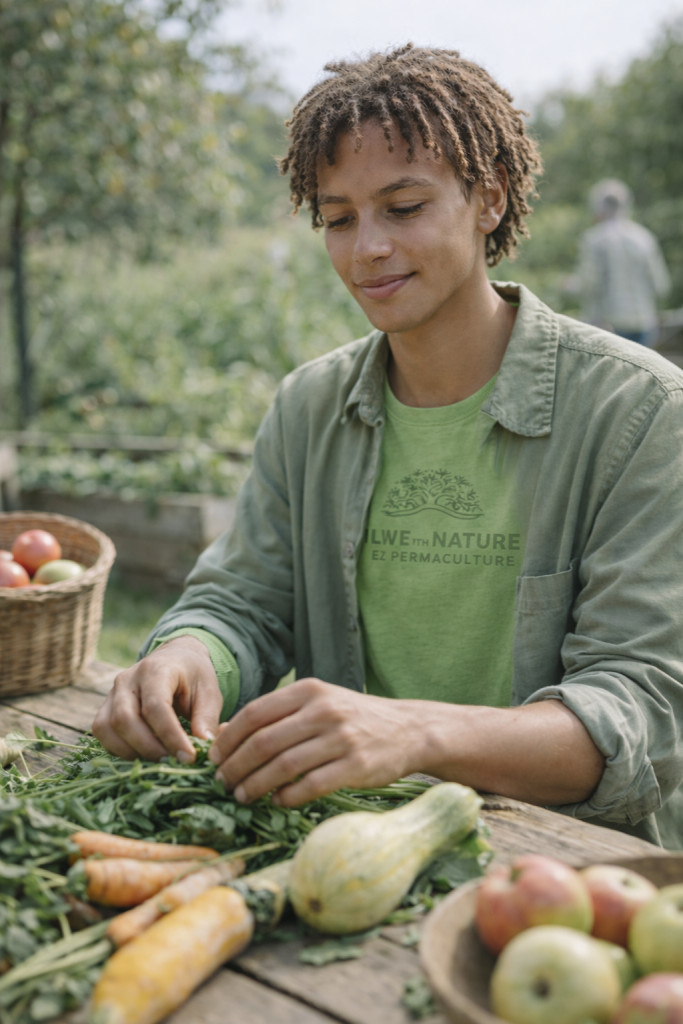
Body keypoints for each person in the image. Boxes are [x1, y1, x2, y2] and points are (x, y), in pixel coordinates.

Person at [93, 45, 683, 849]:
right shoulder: (309, 408)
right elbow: (243, 602)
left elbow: (639, 711)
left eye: (402, 207)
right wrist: (190, 656)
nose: (365, 247)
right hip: (348, 851)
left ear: (488, 198)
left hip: (564, 871)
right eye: (338, 218)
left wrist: (410, 733)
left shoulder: (640, 410)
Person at [578, 178, 670, 346]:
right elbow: (660, 285)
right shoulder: (644, 237)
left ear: (598, 206)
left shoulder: (595, 239)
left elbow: (589, 285)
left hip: (609, 327)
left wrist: (567, 285)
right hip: (645, 326)